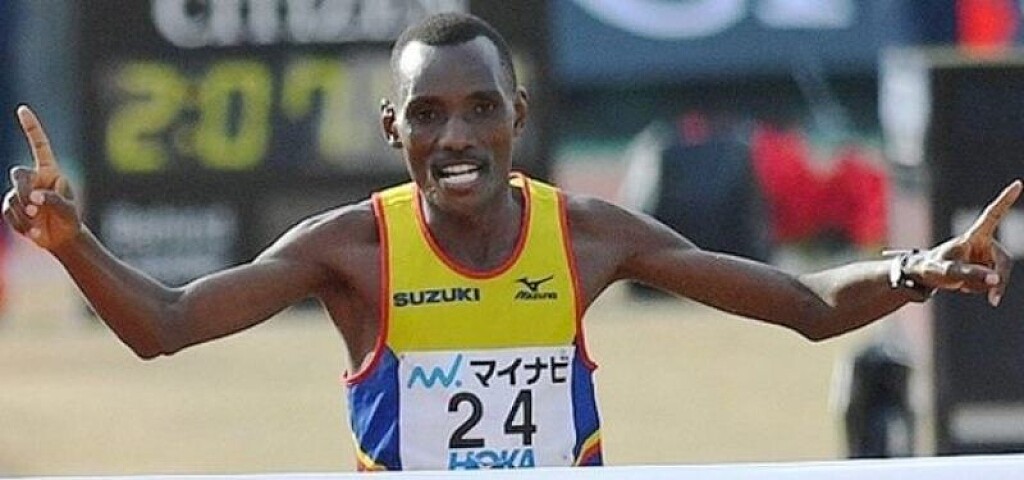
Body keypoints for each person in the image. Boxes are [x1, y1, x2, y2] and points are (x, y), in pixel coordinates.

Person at [2, 12, 1020, 472]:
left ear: (517, 117)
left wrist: (911, 267)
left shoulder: (584, 235)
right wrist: (70, 242)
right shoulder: (351, 249)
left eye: (480, 109)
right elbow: (168, 324)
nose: (456, 138)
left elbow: (798, 307)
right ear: (393, 129)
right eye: (429, 115)